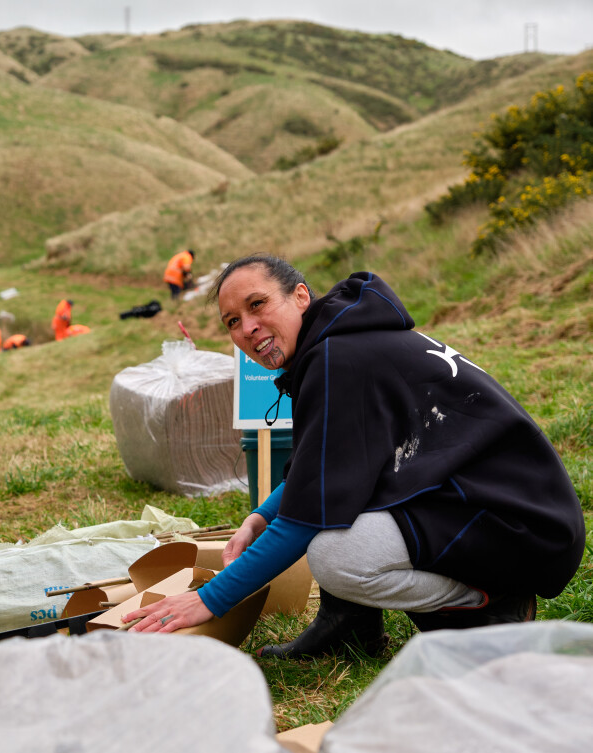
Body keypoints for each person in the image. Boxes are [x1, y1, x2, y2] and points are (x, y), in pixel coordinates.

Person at [125, 256, 584, 658]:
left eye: (257, 304)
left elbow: (306, 519)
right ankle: (350, 625)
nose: (247, 328)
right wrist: (259, 518)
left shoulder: (337, 360)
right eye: (232, 321)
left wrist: (209, 600)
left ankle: (490, 600)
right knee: (346, 501)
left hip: (520, 528)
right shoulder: (339, 343)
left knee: (336, 555)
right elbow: (327, 471)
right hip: (502, 510)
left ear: (300, 296)